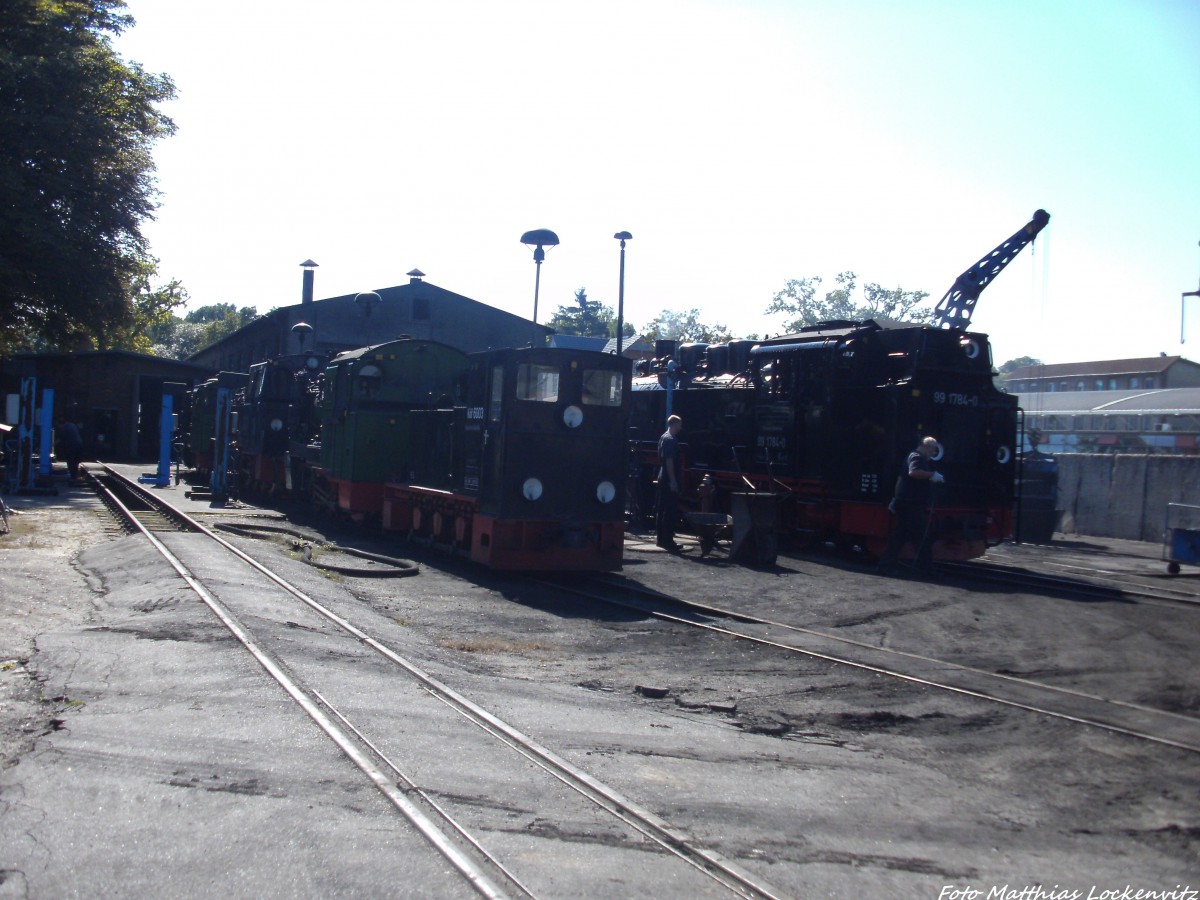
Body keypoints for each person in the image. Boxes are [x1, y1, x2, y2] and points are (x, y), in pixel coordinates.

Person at [878, 435, 944, 573]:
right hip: (911, 504)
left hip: (907, 502)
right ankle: (926, 567)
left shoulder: (914, 457)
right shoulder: (917, 457)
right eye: (933, 450)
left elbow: (900, 480)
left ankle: (885, 564)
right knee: (920, 536)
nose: (933, 454)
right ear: (927, 447)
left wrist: (895, 499)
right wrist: (931, 475)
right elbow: (913, 472)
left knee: (900, 536)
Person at [656, 414, 683, 552]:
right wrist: (673, 481)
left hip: (662, 477)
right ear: (674, 424)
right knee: (669, 510)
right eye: (679, 423)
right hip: (668, 479)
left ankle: (660, 539)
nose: (681, 426)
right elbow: (669, 461)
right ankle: (667, 540)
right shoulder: (671, 440)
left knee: (661, 509)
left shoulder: (663, 437)